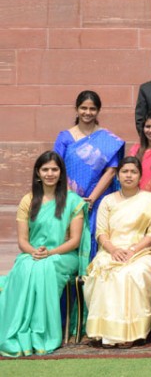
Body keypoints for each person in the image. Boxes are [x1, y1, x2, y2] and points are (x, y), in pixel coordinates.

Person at [0, 151, 90, 357]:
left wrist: (50, 252)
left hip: (64, 256)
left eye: (54, 169)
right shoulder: (28, 200)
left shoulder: (73, 201)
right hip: (32, 254)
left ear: (61, 173)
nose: (50, 173)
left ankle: (43, 334)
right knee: (26, 266)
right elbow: (23, 241)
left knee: (45, 267)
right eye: (45, 169)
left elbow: (74, 241)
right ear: (38, 173)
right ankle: (19, 330)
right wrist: (35, 251)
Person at [84, 157, 151, 348]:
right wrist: (113, 250)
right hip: (110, 250)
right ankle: (104, 332)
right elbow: (101, 232)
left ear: (140, 176)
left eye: (133, 172)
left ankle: (130, 333)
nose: (129, 175)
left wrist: (133, 250)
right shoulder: (107, 201)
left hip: (143, 252)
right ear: (118, 176)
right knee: (104, 271)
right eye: (125, 171)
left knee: (131, 273)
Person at [54, 90, 124, 259]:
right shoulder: (65, 137)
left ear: (98, 110)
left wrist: (92, 199)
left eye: (92, 109)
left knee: (98, 234)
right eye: (83, 108)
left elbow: (111, 171)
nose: (87, 112)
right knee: (70, 236)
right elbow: (57, 167)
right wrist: (73, 198)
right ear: (76, 109)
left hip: (99, 198)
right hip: (70, 197)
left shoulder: (107, 139)